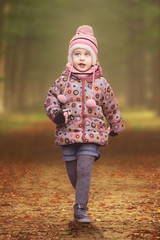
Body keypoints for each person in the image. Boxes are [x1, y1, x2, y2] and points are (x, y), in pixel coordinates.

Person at [44, 25, 125, 223]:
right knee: (74, 172)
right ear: (70, 57)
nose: (81, 58)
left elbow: (110, 106)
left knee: (84, 169)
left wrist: (115, 125)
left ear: (94, 58)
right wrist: (56, 114)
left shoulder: (101, 83)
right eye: (77, 54)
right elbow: (50, 100)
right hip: (68, 134)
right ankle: (82, 193)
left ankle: (80, 208)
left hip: (93, 134)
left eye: (86, 54)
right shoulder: (62, 81)